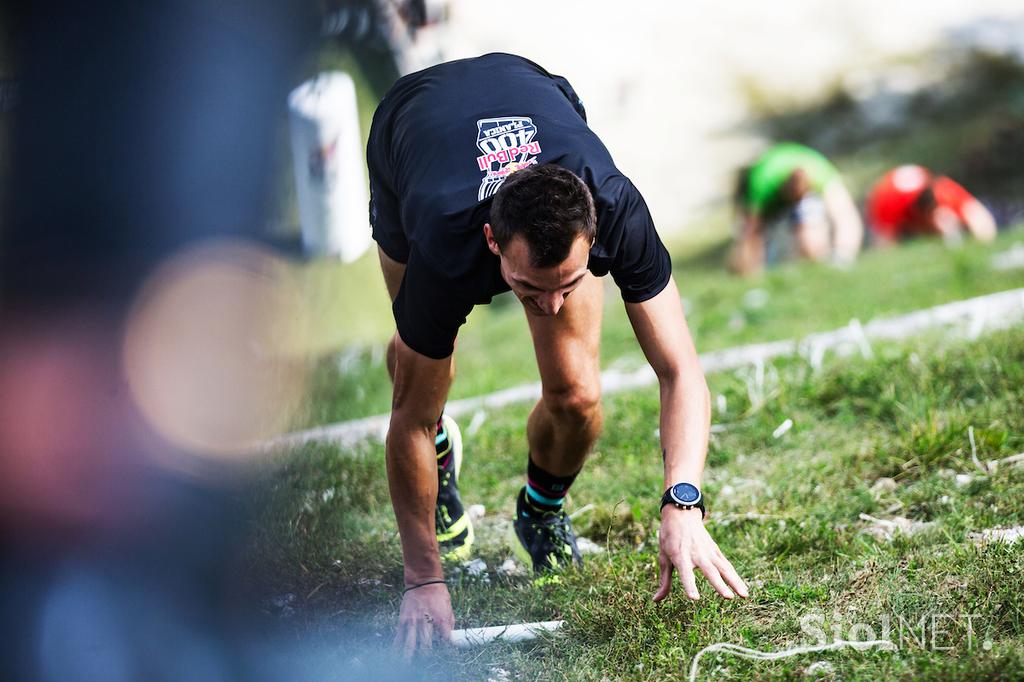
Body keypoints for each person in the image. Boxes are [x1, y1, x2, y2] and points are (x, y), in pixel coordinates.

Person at [367, 53, 749, 656]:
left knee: (576, 395)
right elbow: (404, 421)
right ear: (493, 243)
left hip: (532, 85)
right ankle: (441, 462)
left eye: (566, 286)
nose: (547, 308)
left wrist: (683, 500)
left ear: (592, 237)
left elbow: (681, 371)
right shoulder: (445, 243)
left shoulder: (616, 207)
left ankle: (540, 512)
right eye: (527, 290)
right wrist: (424, 579)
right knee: (416, 383)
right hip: (409, 125)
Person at [730, 142, 863, 275]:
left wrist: (844, 254)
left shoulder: (819, 173)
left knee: (810, 236)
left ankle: (820, 268)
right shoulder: (762, 182)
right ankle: (746, 270)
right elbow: (752, 229)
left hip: (809, 171)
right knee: (751, 235)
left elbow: (846, 216)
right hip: (766, 184)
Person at [865, 165, 996, 245]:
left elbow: (980, 219)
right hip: (892, 207)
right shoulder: (888, 201)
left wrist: (984, 243)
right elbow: (884, 242)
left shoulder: (945, 191)